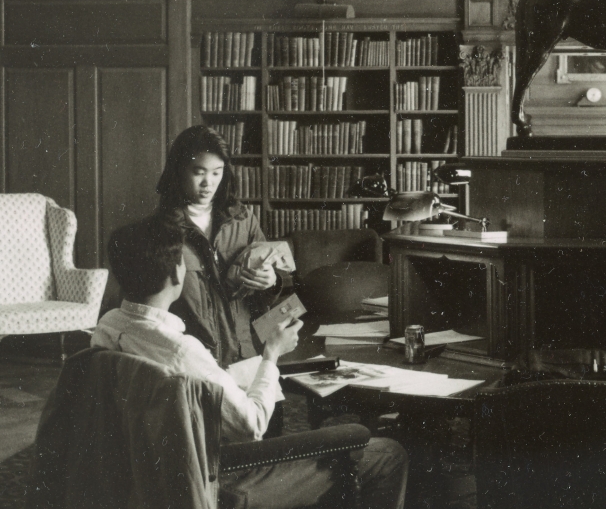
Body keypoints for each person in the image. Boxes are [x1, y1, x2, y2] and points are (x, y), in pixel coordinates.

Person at [95, 218, 408, 508]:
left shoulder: (109, 326)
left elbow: (189, 385)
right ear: (177, 274)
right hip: (220, 477)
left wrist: (233, 374)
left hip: (152, 473)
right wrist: (272, 354)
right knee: (387, 453)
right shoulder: (182, 350)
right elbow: (251, 425)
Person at [155, 124, 283, 366]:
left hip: (245, 357)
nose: (208, 183)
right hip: (193, 360)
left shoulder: (243, 219)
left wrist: (271, 281)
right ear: (178, 170)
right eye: (199, 172)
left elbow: (263, 300)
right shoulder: (160, 229)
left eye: (217, 173)